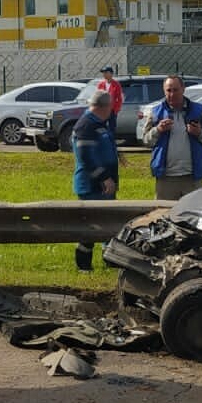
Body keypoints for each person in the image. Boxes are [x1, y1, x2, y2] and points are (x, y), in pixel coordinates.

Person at [141, 75, 202, 200]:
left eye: (175, 90)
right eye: (168, 90)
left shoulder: (199, 110)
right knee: (163, 215)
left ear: (183, 89)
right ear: (164, 91)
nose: (172, 94)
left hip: (192, 178)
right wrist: (158, 130)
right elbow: (146, 140)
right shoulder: (156, 112)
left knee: (193, 216)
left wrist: (199, 132)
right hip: (166, 179)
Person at [71, 91, 119, 270]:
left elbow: (101, 148)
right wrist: (104, 177)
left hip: (103, 185)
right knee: (92, 227)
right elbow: (85, 157)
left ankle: (110, 262)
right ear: (105, 107)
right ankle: (84, 266)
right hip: (92, 185)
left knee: (106, 224)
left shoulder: (99, 123)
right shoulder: (86, 125)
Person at [95, 65, 124, 133]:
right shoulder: (101, 84)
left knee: (112, 129)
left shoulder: (116, 84)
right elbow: (98, 97)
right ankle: (103, 142)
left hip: (112, 111)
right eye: (103, 73)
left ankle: (111, 142)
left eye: (106, 72)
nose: (104, 74)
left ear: (111, 73)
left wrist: (116, 110)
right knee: (101, 128)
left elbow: (119, 98)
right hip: (102, 111)